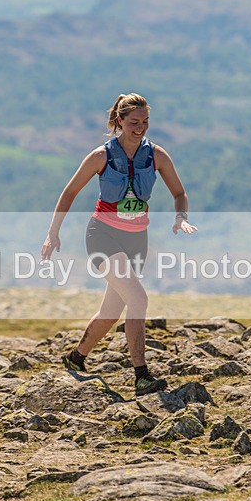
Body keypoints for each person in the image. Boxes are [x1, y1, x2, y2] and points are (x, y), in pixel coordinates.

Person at [41, 93, 197, 396]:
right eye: (134, 122)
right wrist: (52, 233)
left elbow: (179, 193)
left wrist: (181, 218)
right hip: (103, 235)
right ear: (119, 121)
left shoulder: (157, 156)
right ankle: (141, 376)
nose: (141, 128)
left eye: (145, 121)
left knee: (112, 310)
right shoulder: (100, 156)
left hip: (137, 239)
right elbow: (70, 192)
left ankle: (76, 357)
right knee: (138, 300)